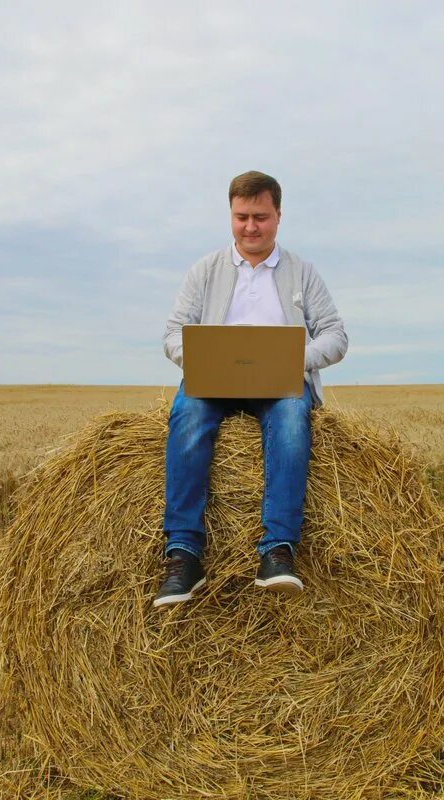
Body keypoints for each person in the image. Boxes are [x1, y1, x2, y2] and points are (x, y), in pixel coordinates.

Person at [156, 170, 348, 608]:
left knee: (293, 424)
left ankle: (277, 551)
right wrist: (203, 358)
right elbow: (171, 335)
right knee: (187, 418)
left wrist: (294, 360)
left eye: (260, 216)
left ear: (278, 216)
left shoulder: (303, 273)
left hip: (279, 382)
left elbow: (336, 336)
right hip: (213, 380)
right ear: (230, 214)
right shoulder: (204, 271)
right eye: (242, 216)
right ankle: (184, 554)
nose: (251, 226)